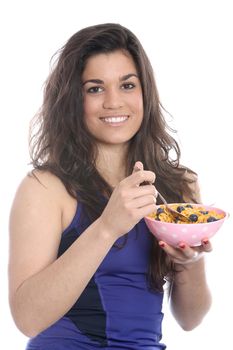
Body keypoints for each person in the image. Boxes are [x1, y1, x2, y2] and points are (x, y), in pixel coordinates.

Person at [8, 23, 212, 350]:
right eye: (95, 88)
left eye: (127, 85)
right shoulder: (45, 189)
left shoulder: (180, 186)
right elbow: (27, 319)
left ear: (145, 91)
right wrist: (107, 227)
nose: (114, 102)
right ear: (73, 99)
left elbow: (191, 319)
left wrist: (189, 263)